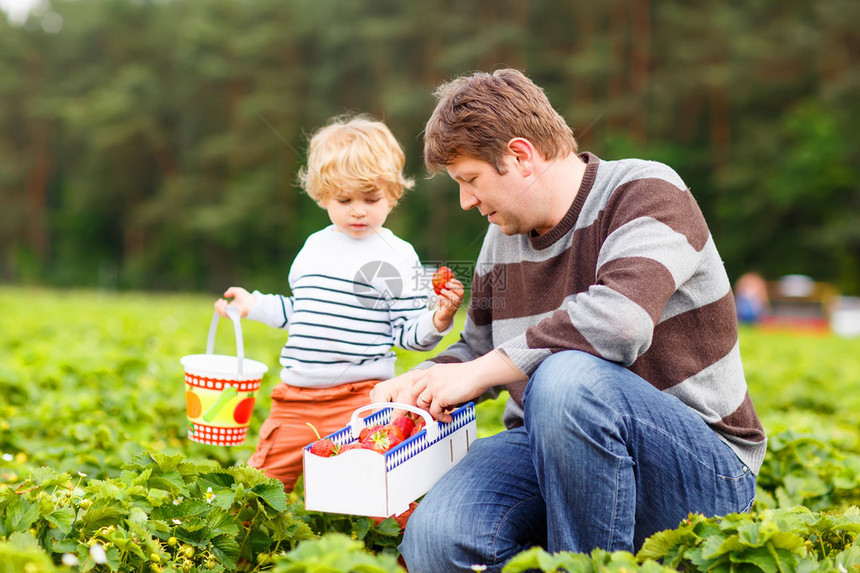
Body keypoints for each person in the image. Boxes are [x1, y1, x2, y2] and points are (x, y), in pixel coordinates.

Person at [370, 69, 767, 572]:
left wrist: (482, 369)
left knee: (566, 377)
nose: (466, 201)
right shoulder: (501, 237)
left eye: (470, 181)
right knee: (439, 540)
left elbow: (619, 322)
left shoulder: (646, 191)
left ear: (520, 156)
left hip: (699, 465)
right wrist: (422, 379)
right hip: (549, 448)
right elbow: (478, 348)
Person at [216, 115, 464, 492]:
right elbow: (300, 313)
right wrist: (253, 305)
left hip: (363, 400)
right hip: (295, 399)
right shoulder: (314, 247)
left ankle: (401, 548)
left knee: (385, 486)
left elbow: (409, 334)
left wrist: (439, 317)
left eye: (371, 198)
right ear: (321, 195)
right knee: (262, 486)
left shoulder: (398, 256)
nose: (358, 210)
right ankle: (247, 545)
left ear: (393, 193)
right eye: (344, 200)